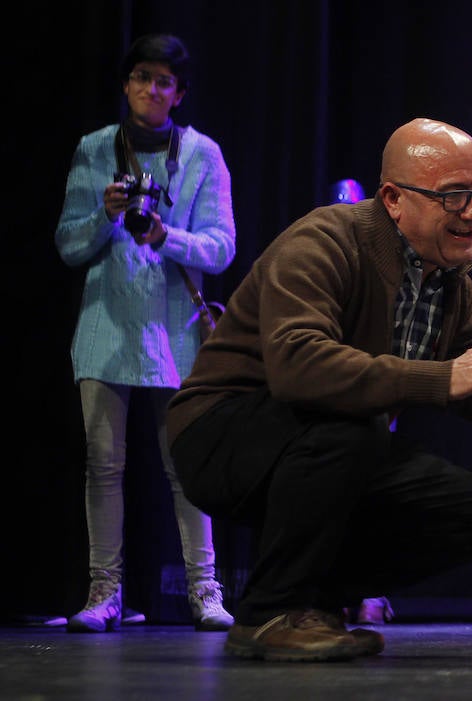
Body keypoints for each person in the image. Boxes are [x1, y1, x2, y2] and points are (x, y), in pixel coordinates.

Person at [166, 117, 472, 663]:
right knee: (352, 426)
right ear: (394, 199)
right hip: (220, 434)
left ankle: (316, 604)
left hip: (332, 442)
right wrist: (443, 377)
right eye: (453, 196)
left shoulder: (450, 282)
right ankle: (268, 612)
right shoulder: (326, 240)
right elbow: (299, 367)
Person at [55, 33, 236, 633]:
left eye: (164, 81)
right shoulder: (93, 149)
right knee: (103, 466)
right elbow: (68, 246)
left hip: (175, 332)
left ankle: (204, 591)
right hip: (105, 327)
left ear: (178, 93)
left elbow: (222, 247)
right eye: (141, 77)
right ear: (127, 84)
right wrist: (106, 214)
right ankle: (103, 594)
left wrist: (166, 236)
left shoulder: (203, 154)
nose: (151, 90)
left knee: (185, 466)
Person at [328, 177, 395, 627]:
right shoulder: (328, 255)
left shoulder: (389, 261)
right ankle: (327, 591)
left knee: (377, 487)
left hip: (378, 392)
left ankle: (372, 590)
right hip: (335, 396)